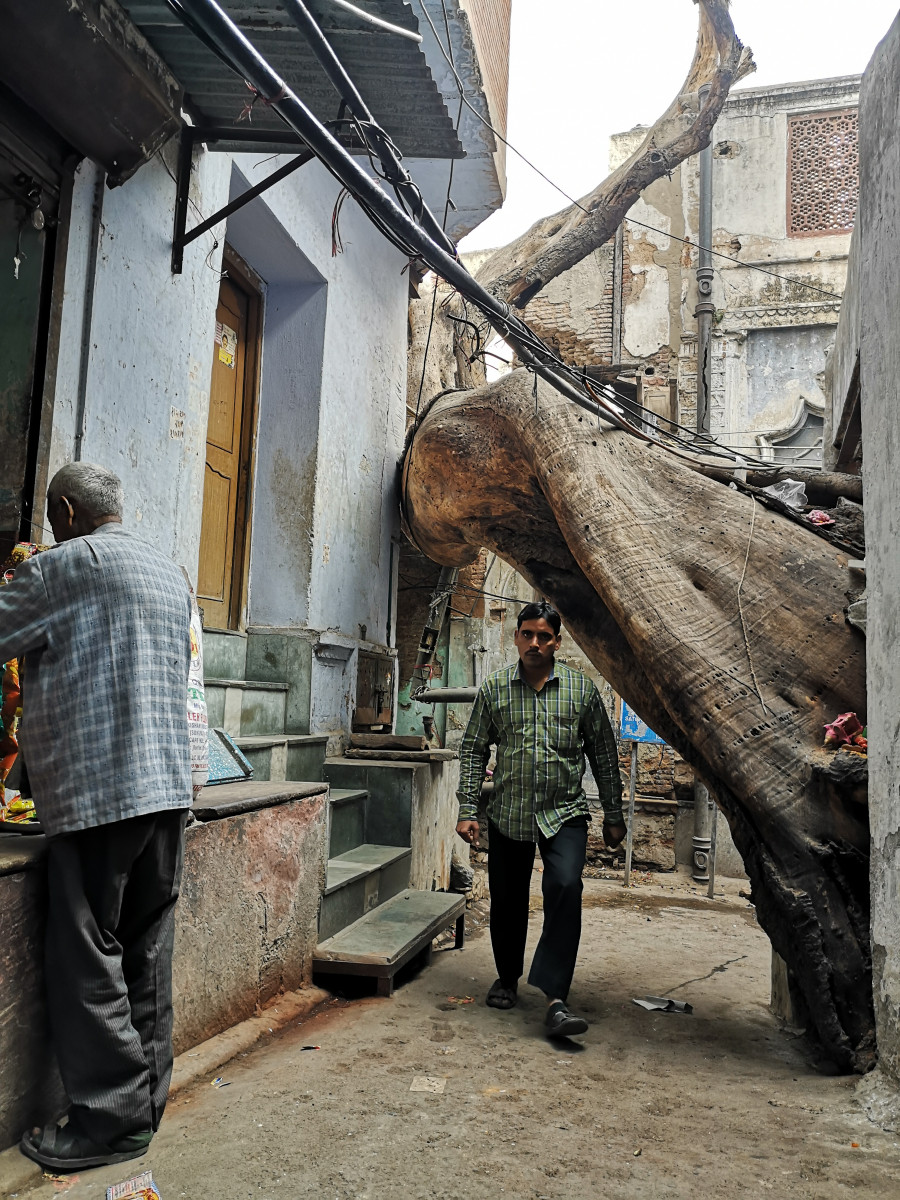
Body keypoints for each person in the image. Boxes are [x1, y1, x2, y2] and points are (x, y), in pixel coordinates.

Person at [0, 463, 193, 1172]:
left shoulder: (61, 568)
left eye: (53, 515)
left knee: (86, 951)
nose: (51, 526)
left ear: (69, 510)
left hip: (98, 791)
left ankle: (107, 1122)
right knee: (145, 952)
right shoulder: (166, 569)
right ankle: (142, 1112)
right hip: (168, 787)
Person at [455, 600, 626, 1038]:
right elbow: (474, 748)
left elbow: (604, 754)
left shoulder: (580, 690)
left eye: (544, 636)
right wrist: (468, 809)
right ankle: (507, 978)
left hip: (564, 812)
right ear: (516, 637)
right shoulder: (495, 689)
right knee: (508, 900)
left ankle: (554, 996)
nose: (535, 643)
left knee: (565, 886)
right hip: (510, 810)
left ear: (556, 642)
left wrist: (613, 812)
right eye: (527, 634)